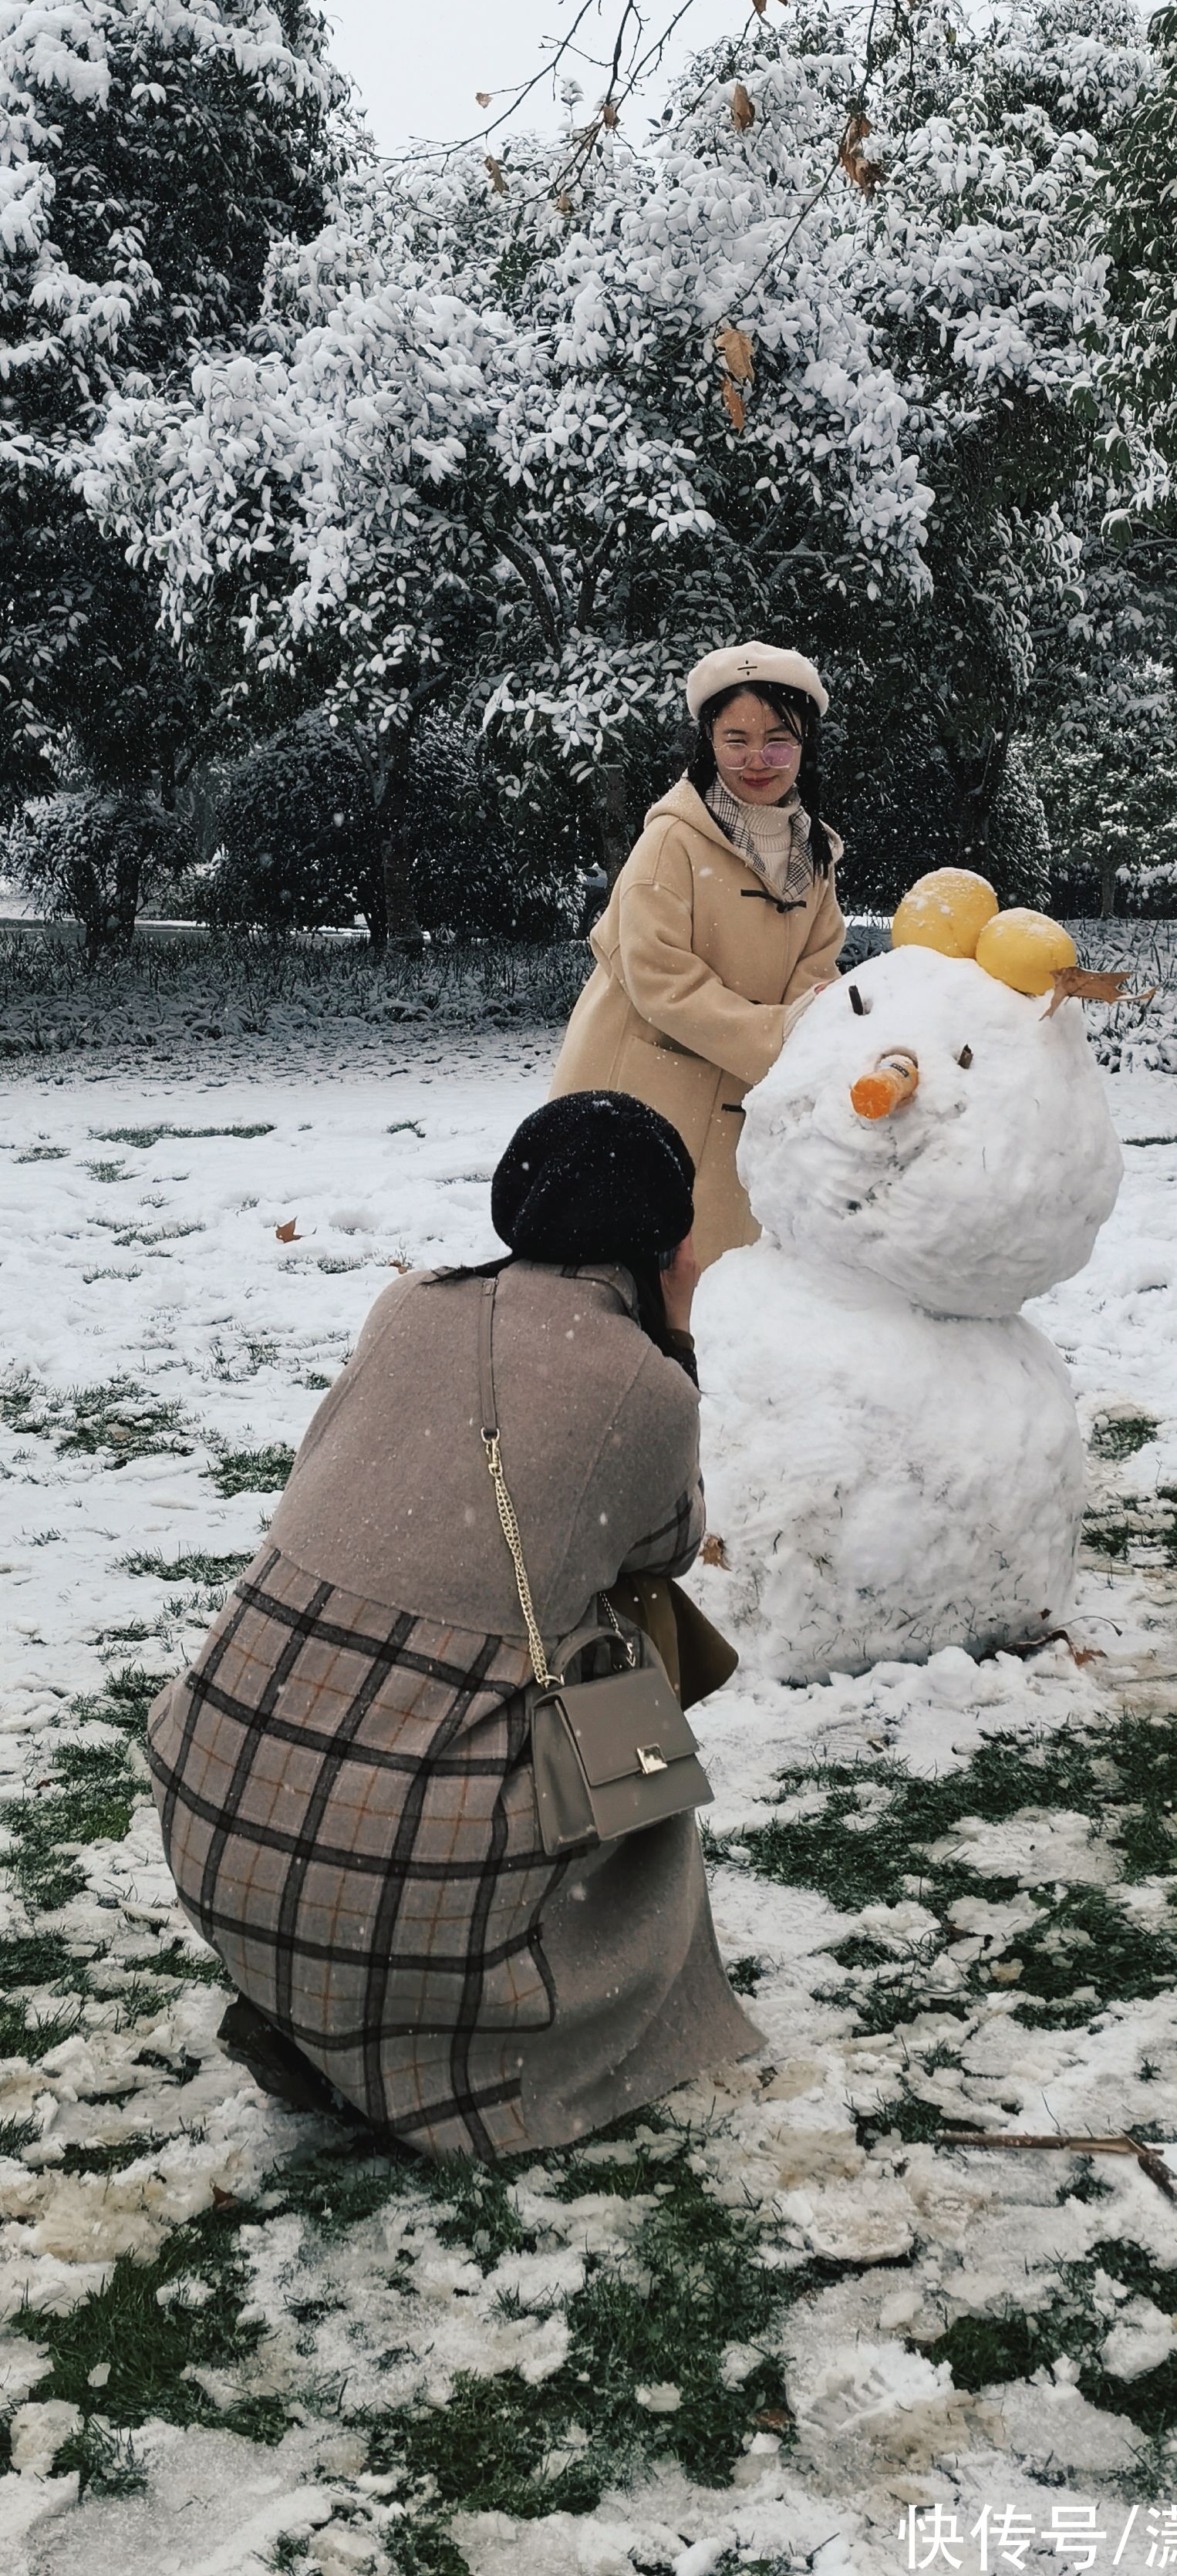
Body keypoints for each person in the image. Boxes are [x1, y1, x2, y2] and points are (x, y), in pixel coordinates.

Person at [144, 1092, 761, 2161]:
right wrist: (679, 1342)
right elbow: (664, 1548)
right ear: (662, 1242)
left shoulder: (410, 1304)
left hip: (220, 1825)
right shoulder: (645, 1388)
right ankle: (499, 2023)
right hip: (393, 1886)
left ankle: (327, 2010)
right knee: (627, 1686)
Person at [550, 640, 845, 1267]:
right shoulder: (671, 840)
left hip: (735, 1091)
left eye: (778, 741)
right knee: (613, 1269)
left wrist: (811, 1022)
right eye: (735, 739)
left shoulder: (813, 852)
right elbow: (656, 976)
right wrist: (777, 1032)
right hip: (636, 1083)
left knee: (704, 1275)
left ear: (805, 746)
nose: (757, 760)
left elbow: (817, 965)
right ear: (708, 742)